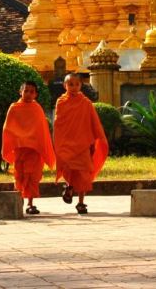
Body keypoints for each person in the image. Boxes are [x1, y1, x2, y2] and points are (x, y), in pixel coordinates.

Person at [53, 73, 108, 215]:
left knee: (84, 175)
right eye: (70, 84)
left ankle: (81, 202)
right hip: (67, 143)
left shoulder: (86, 103)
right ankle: (69, 187)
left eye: (76, 84)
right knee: (69, 169)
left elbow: (93, 122)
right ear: (65, 86)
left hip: (83, 143)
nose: (73, 87)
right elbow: (59, 124)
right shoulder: (61, 102)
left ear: (81, 85)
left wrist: (97, 139)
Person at [1, 81, 55, 215]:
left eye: (32, 92)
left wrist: (38, 143)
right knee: (19, 175)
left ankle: (31, 204)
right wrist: (17, 139)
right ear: (20, 92)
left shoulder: (37, 109)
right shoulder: (14, 108)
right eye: (26, 91)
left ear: (36, 94)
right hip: (20, 148)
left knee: (33, 176)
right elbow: (8, 128)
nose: (29, 94)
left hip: (34, 149)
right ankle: (18, 201)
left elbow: (41, 129)